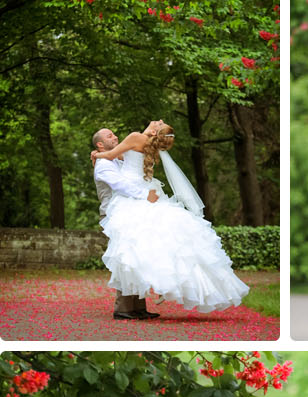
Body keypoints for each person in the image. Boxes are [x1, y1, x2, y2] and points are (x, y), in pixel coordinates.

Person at [91, 121, 249, 320]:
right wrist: (100, 159)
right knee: (128, 256)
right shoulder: (114, 158)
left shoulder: (129, 145)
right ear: (100, 145)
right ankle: (124, 307)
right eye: (110, 136)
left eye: (114, 135)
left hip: (135, 201)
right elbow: (119, 182)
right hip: (119, 209)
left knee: (135, 255)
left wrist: (100, 155)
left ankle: (135, 307)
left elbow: (126, 159)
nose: (115, 137)